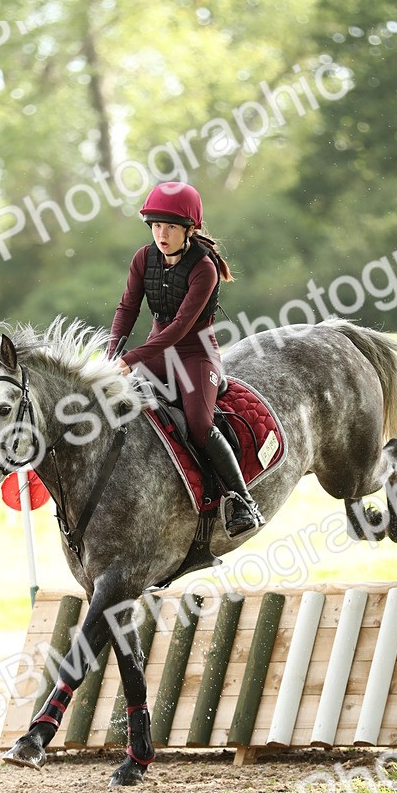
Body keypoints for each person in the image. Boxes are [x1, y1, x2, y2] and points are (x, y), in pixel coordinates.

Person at [108, 180, 265, 538]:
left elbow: (179, 328)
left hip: (196, 352)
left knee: (197, 423)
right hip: (156, 349)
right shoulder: (142, 258)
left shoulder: (204, 268)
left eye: (171, 227)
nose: (162, 234)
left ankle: (243, 500)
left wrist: (130, 359)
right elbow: (127, 308)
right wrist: (112, 355)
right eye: (156, 226)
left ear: (189, 229)